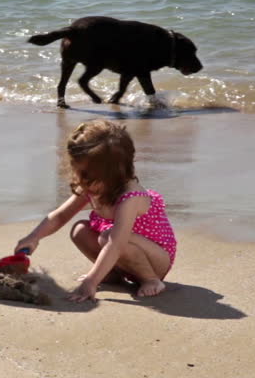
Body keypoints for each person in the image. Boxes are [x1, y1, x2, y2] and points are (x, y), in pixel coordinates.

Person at [13, 119, 176, 301]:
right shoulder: (92, 184)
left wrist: (91, 281)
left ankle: (151, 280)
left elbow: (116, 244)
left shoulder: (131, 197)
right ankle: (111, 275)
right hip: (120, 251)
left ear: (115, 173)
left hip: (155, 260)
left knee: (108, 237)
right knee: (79, 229)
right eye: (79, 172)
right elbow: (60, 216)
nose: (82, 180)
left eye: (88, 175)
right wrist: (34, 237)